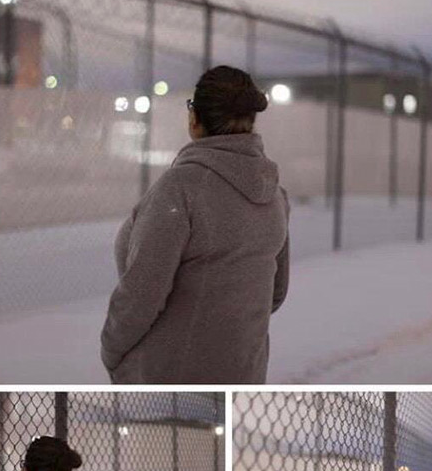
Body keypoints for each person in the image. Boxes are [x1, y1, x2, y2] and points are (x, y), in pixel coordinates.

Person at [100, 64, 290, 384]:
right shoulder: (274, 196)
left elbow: (142, 294)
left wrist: (112, 352)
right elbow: (275, 292)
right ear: (250, 120)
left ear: (195, 120)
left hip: (169, 374)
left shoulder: (181, 189)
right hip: (244, 372)